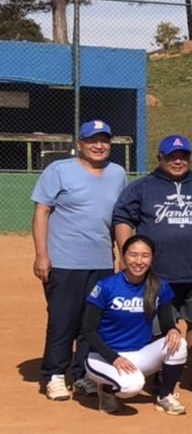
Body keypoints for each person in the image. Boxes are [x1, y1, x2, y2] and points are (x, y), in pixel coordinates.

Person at [111, 134, 192, 383]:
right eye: (171, 157)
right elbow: (122, 219)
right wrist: (126, 253)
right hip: (157, 273)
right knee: (156, 326)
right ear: (160, 158)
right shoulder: (142, 187)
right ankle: (158, 372)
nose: (178, 161)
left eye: (183, 156)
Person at [32, 118, 127, 400]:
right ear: (80, 144)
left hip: (101, 263)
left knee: (92, 322)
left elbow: (121, 218)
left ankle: (84, 374)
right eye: (92, 140)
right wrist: (41, 255)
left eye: (104, 140)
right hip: (64, 262)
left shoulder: (118, 173)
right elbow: (42, 213)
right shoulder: (58, 170)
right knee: (63, 320)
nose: (99, 145)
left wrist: (122, 255)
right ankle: (55, 375)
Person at [81, 234, 189, 415]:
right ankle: (106, 389)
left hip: (138, 355)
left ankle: (165, 396)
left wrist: (172, 329)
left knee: (180, 344)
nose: (139, 261)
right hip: (103, 357)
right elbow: (88, 330)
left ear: (152, 259)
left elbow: (166, 321)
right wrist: (114, 358)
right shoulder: (106, 286)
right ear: (124, 257)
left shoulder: (158, 285)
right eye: (133, 255)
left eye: (145, 256)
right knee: (132, 386)